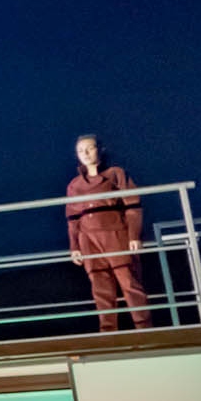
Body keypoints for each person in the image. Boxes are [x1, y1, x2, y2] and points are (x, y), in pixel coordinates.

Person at [65, 134, 152, 332]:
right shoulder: (74, 185)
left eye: (89, 148)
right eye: (80, 151)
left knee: (129, 283)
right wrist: (75, 247)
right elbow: (72, 218)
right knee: (100, 288)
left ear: (100, 149)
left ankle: (145, 329)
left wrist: (134, 236)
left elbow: (133, 206)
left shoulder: (116, 174)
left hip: (116, 235)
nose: (85, 154)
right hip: (89, 240)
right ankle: (108, 332)